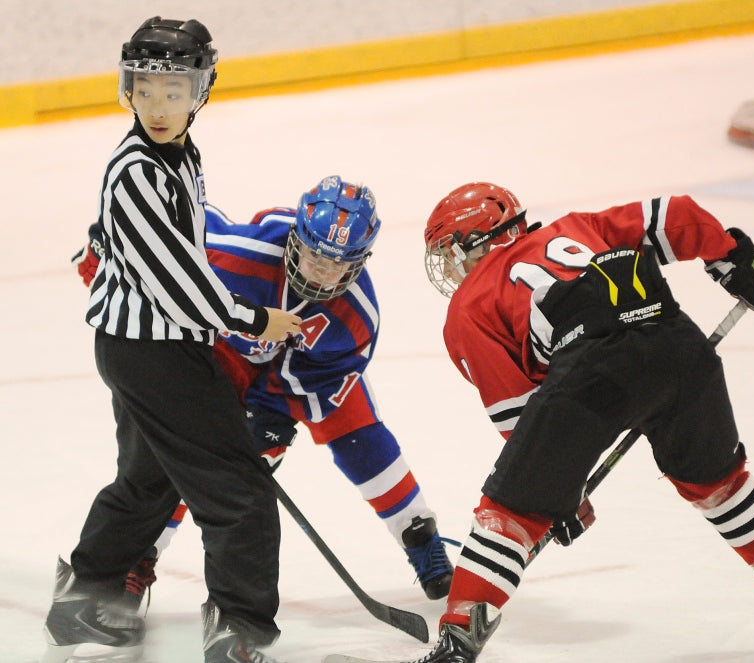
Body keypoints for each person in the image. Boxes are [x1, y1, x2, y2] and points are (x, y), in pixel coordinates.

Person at [384, 182, 754, 662]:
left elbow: (522, 421)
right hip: (679, 345)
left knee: (511, 512)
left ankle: (456, 644)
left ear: (481, 241)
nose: (453, 270)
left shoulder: (468, 307)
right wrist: (734, 259)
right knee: (720, 482)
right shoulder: (577, 226)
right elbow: (675, 213)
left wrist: (559, 492)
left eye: (453, 253)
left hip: (593, 366)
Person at [45, 17, 301, 663]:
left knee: (148, 478)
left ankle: (87, 589)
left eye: (174, 90)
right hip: (152, 352)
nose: (158, 106)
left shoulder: (180, 154)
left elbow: (177, 256)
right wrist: (252, 319)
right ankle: (240, 626)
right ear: (127, 89)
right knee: (238, 489)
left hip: (145, 346)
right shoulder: (135, 170)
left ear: (201, 91)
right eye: (145, 89)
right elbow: (178, 282)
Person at [119, 175, 456, 608]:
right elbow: (182, 225)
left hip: (311, 373)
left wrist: (270, 423)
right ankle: (138, 557)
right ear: (297, 236)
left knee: (358, 433)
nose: (321, 271)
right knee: (190, 456)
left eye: (337, 264)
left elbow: (316, 386)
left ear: (359, 261)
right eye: (315, 254)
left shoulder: (355, 317)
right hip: (233, 354)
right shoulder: (242, 253)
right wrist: (111, 239)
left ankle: (419, 535)